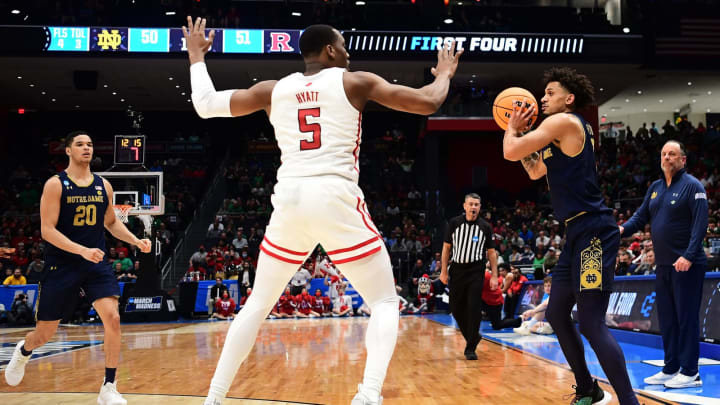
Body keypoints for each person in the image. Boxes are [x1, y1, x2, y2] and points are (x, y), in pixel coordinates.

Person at [184, 17, 461, 405]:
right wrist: (445, 73)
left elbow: (206, 105)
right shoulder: (354, 81)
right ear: (330, 49)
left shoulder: (273, 89)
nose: (348, 52)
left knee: (257, 305)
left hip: (290, 199)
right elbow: (429, 101)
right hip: (333, 193)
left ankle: (213, 398)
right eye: (343, 45)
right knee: (383, 301)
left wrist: (197, 56)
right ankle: (368, 393)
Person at [503, 67, 638, 405]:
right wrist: (519, 138)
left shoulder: (565, 122)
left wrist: (511, 129)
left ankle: (629, 401)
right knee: (555, 313)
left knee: (591, 323)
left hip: (594, 231)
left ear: (569, 98)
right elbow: (534, 168)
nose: (543, 99)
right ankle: (588, 388)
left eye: (550, 93)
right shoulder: (556, 137)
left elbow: (510, 152)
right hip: (576, 233)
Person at [3, 131, 152, 405]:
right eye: (80, 144)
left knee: (113, 318)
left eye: (90, 144)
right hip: (62, 265)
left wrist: (135, 240)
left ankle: (109, 386)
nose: (86, 148)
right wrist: (81, 249)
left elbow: (111, 222)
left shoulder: (103, 186)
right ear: (68, 151)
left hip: (95, 264)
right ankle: (23, 351)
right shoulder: (55, 185)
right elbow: (47, 231)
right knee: (44, 334)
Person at [621, 140, 708, 389]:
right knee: (668, 319)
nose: (667, 157)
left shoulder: (693, 186)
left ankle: (690, 371)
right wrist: (621, 230)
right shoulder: (656, 188)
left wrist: (689, 256)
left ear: (683, 160)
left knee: (686, 318)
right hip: (663, 265)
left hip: (687, 265)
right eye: (664, 154)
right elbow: (640, 217)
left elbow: (700, 225)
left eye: (672, 154)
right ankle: (671, 367)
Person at [439, 193, 498, 360]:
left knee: (473, 307)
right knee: (456, 307)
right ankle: (473, 336)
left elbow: (492, 253)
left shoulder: (485, 227)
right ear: (464, 206)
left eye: (477, 205)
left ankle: (470, 347)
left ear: (480, 207)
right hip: (457, 270)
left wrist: (494, 275)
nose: (474, 207)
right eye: (471, 204)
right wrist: (443, 271)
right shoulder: (454, 223)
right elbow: (446, 248)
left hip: (476, 270)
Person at [480, 264, 522, 331]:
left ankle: (518, 321)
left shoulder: (509, 275)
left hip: (495, 301)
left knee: (497, 325)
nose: (501, 272)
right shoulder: (500, 277)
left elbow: (505, 289)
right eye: (500, 271)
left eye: (502, 270)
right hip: (487, 299)